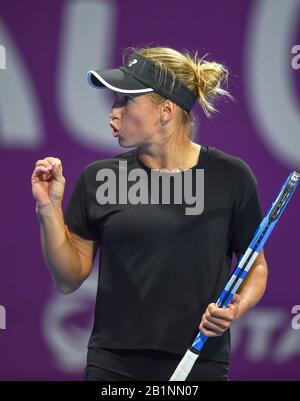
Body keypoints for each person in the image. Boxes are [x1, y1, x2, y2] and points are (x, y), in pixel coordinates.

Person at [31, 46, 268, 381]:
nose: (112, 113)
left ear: (167, 110)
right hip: (112, 366)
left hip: (199, 363)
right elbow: (69, 278)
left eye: (125, 101)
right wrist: (48, 208)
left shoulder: (231, 177)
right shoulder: (98, 178)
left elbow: (255, 267)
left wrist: (236, 308)